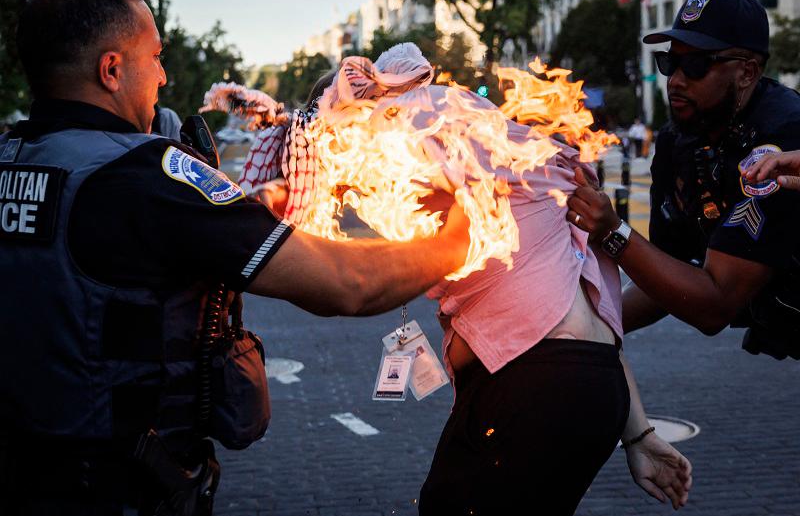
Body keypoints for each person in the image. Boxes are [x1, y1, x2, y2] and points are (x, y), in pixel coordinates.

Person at [0, 0, 469, 516]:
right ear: (111, 70)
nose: (164, 77)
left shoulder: (15, 160)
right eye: (155, 57)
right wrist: (457, 240)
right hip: (120, 489)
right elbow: (347, 285)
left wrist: (257, 205)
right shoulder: (147, 178)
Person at [240, 46, 692, 516]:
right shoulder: (506, 153)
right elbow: (588, 319)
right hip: (593, 387)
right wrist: (638, 432)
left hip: (536, 387)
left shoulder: (425, 119)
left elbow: (354, 283)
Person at [566, 0, 800, 360]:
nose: (675, 79)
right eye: (670, 63)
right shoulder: (679, 140)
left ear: (747, 72)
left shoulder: (780, 138)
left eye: (696, 65)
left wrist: (614, 231)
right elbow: (669, 274)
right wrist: (583, 326)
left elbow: (714, 305)